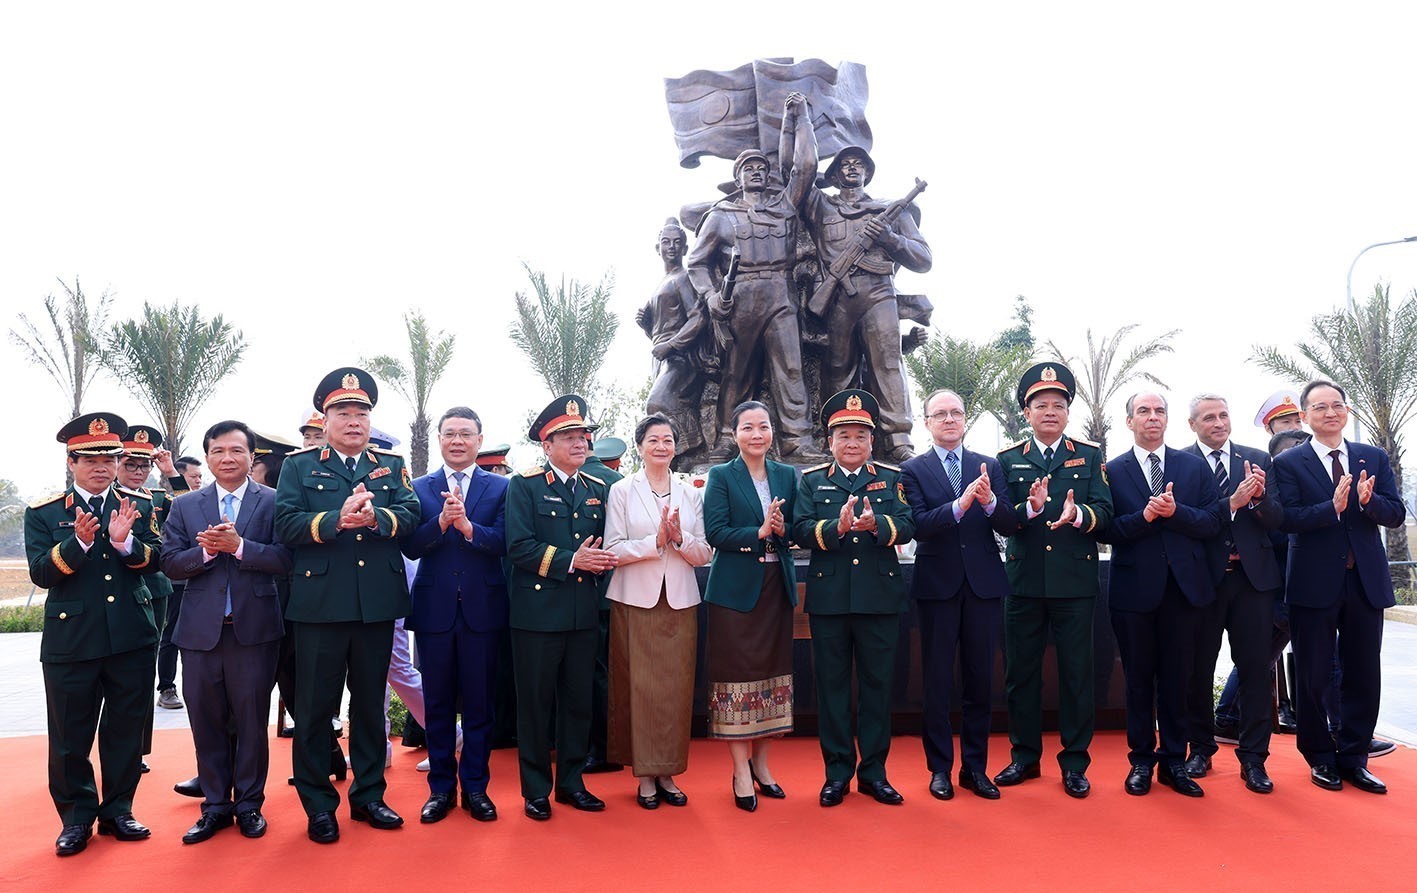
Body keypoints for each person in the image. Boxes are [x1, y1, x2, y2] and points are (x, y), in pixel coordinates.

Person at [274, 366, 419, 843]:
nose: (354, 421)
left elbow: (411, 515)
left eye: (361, 413)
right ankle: (319, 805)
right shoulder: (299, 466)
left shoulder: (391, 465)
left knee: (370, 707)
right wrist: (334, 519)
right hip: (320, 606)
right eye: (343, 413)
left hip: (376, 603)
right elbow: (285, 525)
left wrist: (378, 518)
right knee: (315, 710)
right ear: (326, 419)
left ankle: (370, 796)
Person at [26, 412, 162, 857]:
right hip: (72, 641)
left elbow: (156, 560)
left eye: (109, 459)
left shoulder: (139, 505)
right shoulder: (45, 512)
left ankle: (119, 810)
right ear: (72, 463)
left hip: (131, 636)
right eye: (89, 460)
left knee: (125, 730)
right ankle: (77, 818)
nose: (101, 467)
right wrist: (78, 544)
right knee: (70, 736)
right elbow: (41, 573)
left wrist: (125, 544)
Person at [160, 420, 292, 843]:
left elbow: (287, 559)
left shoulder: (274, 501)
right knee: (206, 721)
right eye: (218, 451)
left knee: (251, 722)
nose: (228, 458)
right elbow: (169, 563)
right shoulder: (185, 505)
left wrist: (239, 547)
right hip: (200, 634)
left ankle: (249, 805)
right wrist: (204, 553)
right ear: (208, 456)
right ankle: (215, 806)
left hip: (253, 631)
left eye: (237, 450)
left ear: (252, 456)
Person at [1273, 380, 1406, 794]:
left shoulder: (1372, 456)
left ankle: (1354, 757)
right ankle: (1320, 757)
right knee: (1313, 675)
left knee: (1363, 673)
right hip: (1313, 582)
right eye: (1320, 407)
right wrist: (1329, 508)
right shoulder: (1289, 463)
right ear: (1305, 416)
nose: (1330, 413)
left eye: (1337, 405)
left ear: (1346, 411)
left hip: (1363, 581)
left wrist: (1368, 502)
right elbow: (1285, 518)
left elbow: (1395, 514)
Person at [993, 363, 1112, 798]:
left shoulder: (1090, 455)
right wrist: (1030, 509)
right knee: (1021, 675)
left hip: (1074, 583)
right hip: (1023, 583)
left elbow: (1106, 513)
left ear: (1067, 412)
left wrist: (1078, 515)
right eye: (1040, 405)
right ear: (1026, 413)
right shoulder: (1007, 460)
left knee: (1077, 675)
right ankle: (1024, 757)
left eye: (1057, 405)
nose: (1049, 412)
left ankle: (1075, 763)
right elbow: (1001, 519)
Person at [794, 390, 915, 807]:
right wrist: (838, 528)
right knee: (832, 689)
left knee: (877, 688)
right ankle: (837, 773)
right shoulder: (811, 481)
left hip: (879, 599)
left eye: (860, 436)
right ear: (830, 441)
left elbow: (907, 524)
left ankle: (875, 774)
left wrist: (877, 523)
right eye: (843, 436)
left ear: (871, 441)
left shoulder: (891, 478)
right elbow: (800, 529)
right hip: (830, 601)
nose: (852, 443)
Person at [684, 92, 821, 460]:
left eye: (761, 167)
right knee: (738, 371)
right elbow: (696, 262)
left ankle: (798, 440)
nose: (757, 171)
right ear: (739, 177)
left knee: (790, 369)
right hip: (741, 296)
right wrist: (711, 296)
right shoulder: (721, 215)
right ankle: (727, 437)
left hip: (781, 293)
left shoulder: (785, 205)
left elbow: (806, 166)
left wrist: (800, 118)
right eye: (749, 168)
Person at [1097, 393, 1220, 797]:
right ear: (1129, 421)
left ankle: (1173, 763)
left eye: (1159, 411)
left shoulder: (1193, 466)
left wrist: (1175, 512)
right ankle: (1140, 762)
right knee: (1137, 682)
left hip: (1183, 591)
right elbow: (1106, 531)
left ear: (1168, 419)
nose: (1153, 417)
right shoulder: (1111, 471)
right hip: (1133, 593)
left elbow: (1212, 522)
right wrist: (1146, 516)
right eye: (1144, 411)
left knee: (1177, 680)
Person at [899, 389, 1017, 801]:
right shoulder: (912, 470)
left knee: (980, 680)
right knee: (936, 681)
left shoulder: (989, 465)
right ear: (927, 423)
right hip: (938, 586)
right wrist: (960, 505)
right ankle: (939, 769)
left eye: (956, 413)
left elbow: (1008, 523)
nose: (949, 420)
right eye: (940, 414)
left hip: (983, 586)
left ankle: (975, 768)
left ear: (965, 419)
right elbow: (917, 525)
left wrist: (989, 503)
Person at [504, 395, 617, 821]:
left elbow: (607, 546)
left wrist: (601, 562)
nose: (580, 442)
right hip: (537, 615)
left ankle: (572, 783)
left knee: (578, 702)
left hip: (583, 612)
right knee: (535, 706)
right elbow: (518, 546)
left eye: (583, 435)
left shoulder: (596, 489)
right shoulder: (525, 485)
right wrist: (573, 560)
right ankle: (536, 790)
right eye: (568, 436)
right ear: (546, 444)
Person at [404, 406, 509, 824]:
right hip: (435, 612)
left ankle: (477, 789)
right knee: (438, 704)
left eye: (466, 434)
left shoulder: (501, 488)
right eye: (450, 434)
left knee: (481, 706)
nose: (458, 441)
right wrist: (442, 524)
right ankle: (441, 790)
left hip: (483, 610)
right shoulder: (419, 487)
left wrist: (468, 528)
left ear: (479, 440)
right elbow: (411, 544)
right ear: (439, 440)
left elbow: (506, 542)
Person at [603, 413, 712, 809]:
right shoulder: (622, 490)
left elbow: (704, 552)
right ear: (640, 447)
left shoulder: (690, 492)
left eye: (667, 440)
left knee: (675, 690)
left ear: (676, 447)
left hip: (680, 600)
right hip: (635, 600)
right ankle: (645, 776)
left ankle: (668, 772)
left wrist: (679, 538)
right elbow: (612, 550)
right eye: (653, 440)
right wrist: (655, 541)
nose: (661, 447)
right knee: (639, 687)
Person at [799, 146, 932, 463]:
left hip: (879, 293)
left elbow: (923, 259)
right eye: (844, 164)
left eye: (859, 163)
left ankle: (898, 439)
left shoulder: (889, 210)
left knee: (887, 363)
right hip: (838, 298)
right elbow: (802, 172)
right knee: (837, 369)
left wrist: (890, 238)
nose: (852, 167)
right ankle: (836, 436)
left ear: (868, 172)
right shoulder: (822, 207)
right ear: (834, 174)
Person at [1181, 394, 1285, 794]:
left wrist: (1259, 499)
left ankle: (1254, 759)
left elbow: (1277, 520)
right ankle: (1200, 749)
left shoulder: (1257, 459)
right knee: (1198, 669)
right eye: (1209, 417)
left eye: (1224, 415)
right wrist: (1232, 502)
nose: (1219, 422)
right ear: (1193, 425)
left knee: (1255, 670)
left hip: (1252, 582)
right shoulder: (1182, 463)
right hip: (1203, 582)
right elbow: (1189, 520)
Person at [701, 400, 799, 812]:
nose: (756, 434)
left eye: (763, 427)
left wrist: (782, 528)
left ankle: (762, 764)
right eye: (748, 428)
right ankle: (740, 770)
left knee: (772, 676)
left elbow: (799, 528)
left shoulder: (787, 475)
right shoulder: (721, 476)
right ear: (734, 433)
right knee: (737, 678)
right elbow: (715, 532)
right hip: (735, 592)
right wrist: (757, 532)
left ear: (772, 432)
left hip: (776, 588)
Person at [113, 425, 175, 773]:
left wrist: (170, 472)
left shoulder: (156, 498)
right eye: (130, 465)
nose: (138, 472)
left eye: (144, 466)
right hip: (120, 590)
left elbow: (190, 505)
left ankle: (136, 750)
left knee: (142, 671)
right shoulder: (105, 498)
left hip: (154, 589)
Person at [638, 217, 710, 454]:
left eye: (677, 242)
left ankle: (691, 450)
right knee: (659, 407)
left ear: (685, 248)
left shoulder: (683, 277)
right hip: (662, 356)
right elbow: (661, 329)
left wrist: (670, 345)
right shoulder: (662, 282)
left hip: (682, 356)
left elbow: (698, 318)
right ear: (657, 248)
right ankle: (679, 458)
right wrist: (646, 326)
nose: (671, 247)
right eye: (666, 242)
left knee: (658, 402)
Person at [583, 432, 626, 774]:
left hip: (588, 590)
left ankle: (599, 748)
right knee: (606, 671)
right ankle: (608, 746)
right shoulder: (618, 482)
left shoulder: (588, 481)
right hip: (615, 590)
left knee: (592, 672)